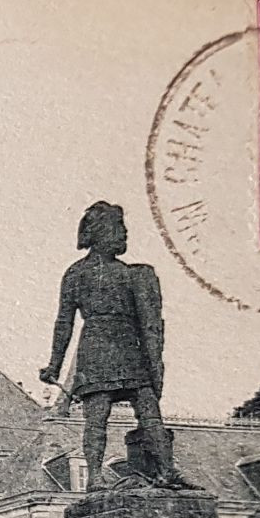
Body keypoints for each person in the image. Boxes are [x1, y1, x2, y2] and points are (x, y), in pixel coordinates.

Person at [39, 201, 178, 491]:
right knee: (97, 416)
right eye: (118, 228)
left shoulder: (133, 274)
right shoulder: (76, 274)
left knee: (149, 410)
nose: (124, 234)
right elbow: (64, 322)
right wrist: (55, 363)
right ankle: (95, 476)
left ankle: (167, 471)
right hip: (97, 347)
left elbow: (148, 322)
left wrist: (154, 360)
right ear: (100, 232)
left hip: (130, 347)